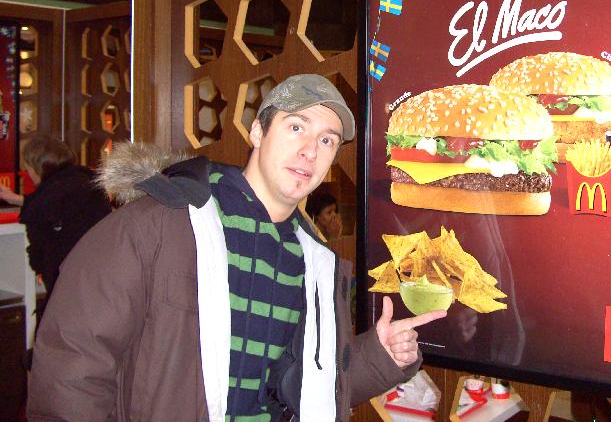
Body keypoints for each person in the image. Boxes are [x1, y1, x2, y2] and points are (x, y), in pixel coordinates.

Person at [27, 74, 446, 422]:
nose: (309, 151)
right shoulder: (159, 225)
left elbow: (304, 390)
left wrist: (377, 357)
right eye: (296, 127)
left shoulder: (315, 263)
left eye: (327, 140)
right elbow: (73, 361)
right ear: (258, 131)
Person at [0, 134, 111, 311]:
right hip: (101, 281)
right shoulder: (87, 182)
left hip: (68, 288)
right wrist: (16, 199)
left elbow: (40, 250)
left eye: (28, 167)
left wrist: (40, 268)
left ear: (38, 167)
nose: (27, 173)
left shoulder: (47, 200)